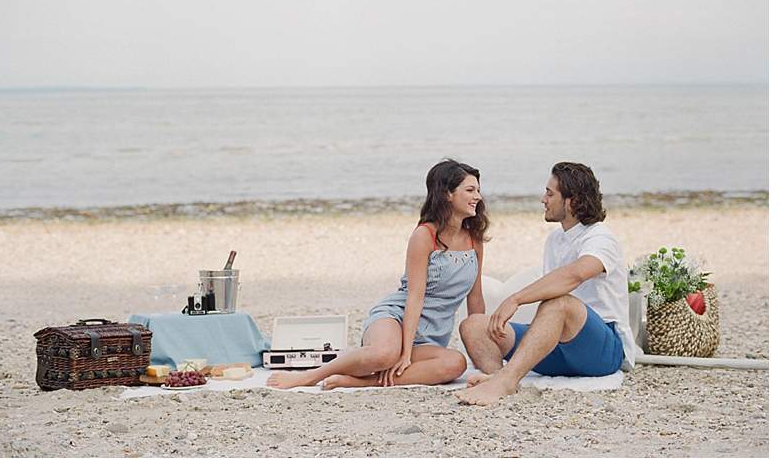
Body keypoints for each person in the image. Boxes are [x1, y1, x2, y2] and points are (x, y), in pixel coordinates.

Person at [267, 159, 489, 390]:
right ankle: (309, 376)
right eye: (470, 190)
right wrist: (403, 354)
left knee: (455, 363)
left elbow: (476, 299)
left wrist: (479, 354)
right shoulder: (424, 236)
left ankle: (359, 382)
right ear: (447, 194)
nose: (478, 197)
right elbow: (415, 297)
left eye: (478, 191)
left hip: (430, 336)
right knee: (385, 355)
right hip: (396, 318)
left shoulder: (474, 240)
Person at [455, 162, 635, 406]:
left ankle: (506, 380)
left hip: (601, 351)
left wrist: (515, 299)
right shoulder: (555, 240)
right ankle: (496, 376)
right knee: (474, 325)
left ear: (572, 201)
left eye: (550, 194)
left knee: (560, 302)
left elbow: (575, 275)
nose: (543, 199)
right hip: (557, 347)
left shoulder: (600, 237)